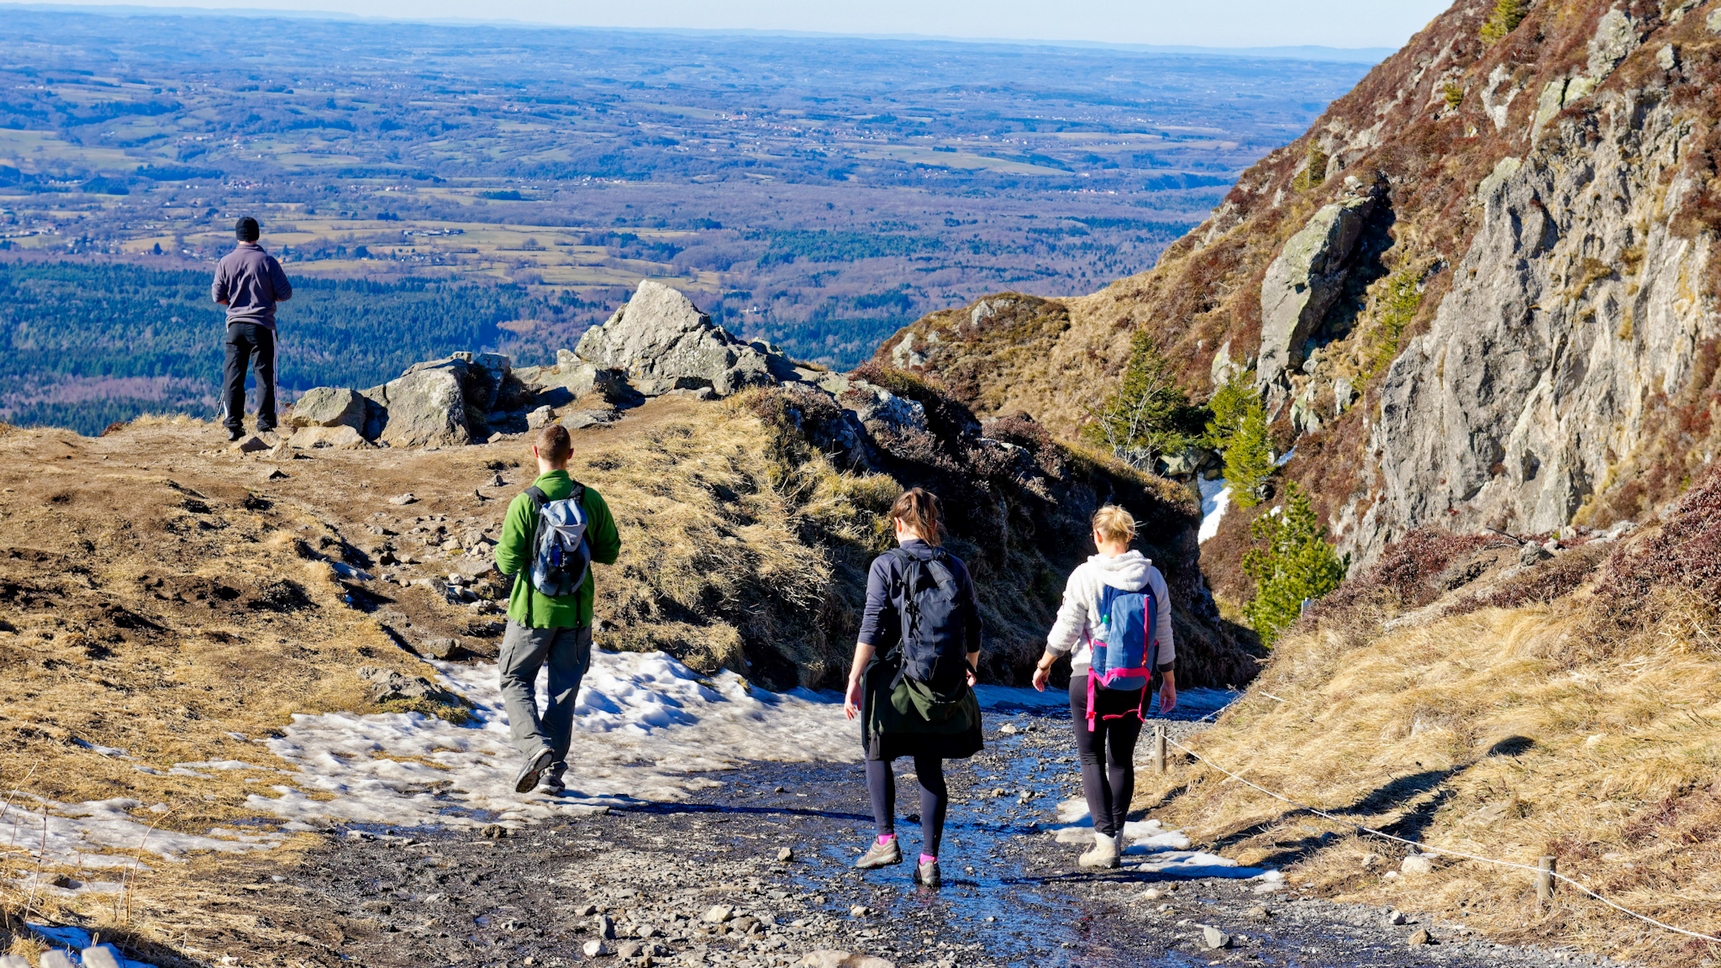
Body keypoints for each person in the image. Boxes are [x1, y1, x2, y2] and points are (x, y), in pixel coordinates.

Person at [843, 488, 983, 888]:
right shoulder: (955, 566)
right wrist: (968, 667)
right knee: (930, 766)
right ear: (934, 526)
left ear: (897, 524)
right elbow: (974, 623)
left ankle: (885, 839)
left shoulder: (885, 564)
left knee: (876, 748)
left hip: (893, 681)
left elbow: (871, 626)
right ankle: (929, 861)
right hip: (940, 680)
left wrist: (854, 677)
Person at [1032, 505, 1176, 870]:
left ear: (1097, 536)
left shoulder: (1084, 575)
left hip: (1090, 679)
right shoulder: (1152, 577)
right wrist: (1168, 679)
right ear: (1129, 537)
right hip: (1138, 682)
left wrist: (1045, 662)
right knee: (1122, 759)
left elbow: (1067, 627)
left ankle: (1105, 844)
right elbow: (1163, 632)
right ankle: (1117, 838)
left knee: (1092, 758)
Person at [493, 425, 622, 795]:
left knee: (515, 679)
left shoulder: (525, 502)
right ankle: (553, 775)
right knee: (563, 694)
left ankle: (535, 748)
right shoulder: (590, 500)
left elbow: (506, 563)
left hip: (532, 614)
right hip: (577, 615)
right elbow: (610, 552)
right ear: (571, 455)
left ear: (535, 452)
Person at [211, 216, 293, 441]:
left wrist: (235, 304)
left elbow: (217, 296)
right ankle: (265, 425)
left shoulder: (225, 262)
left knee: (233, 376)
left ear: (238, 236)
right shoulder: (267, 262)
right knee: (265, 376)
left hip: (235, 327)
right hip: (262, 326)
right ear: (257, 235)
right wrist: (267, 297)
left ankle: (233, 425)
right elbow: (286, 293)